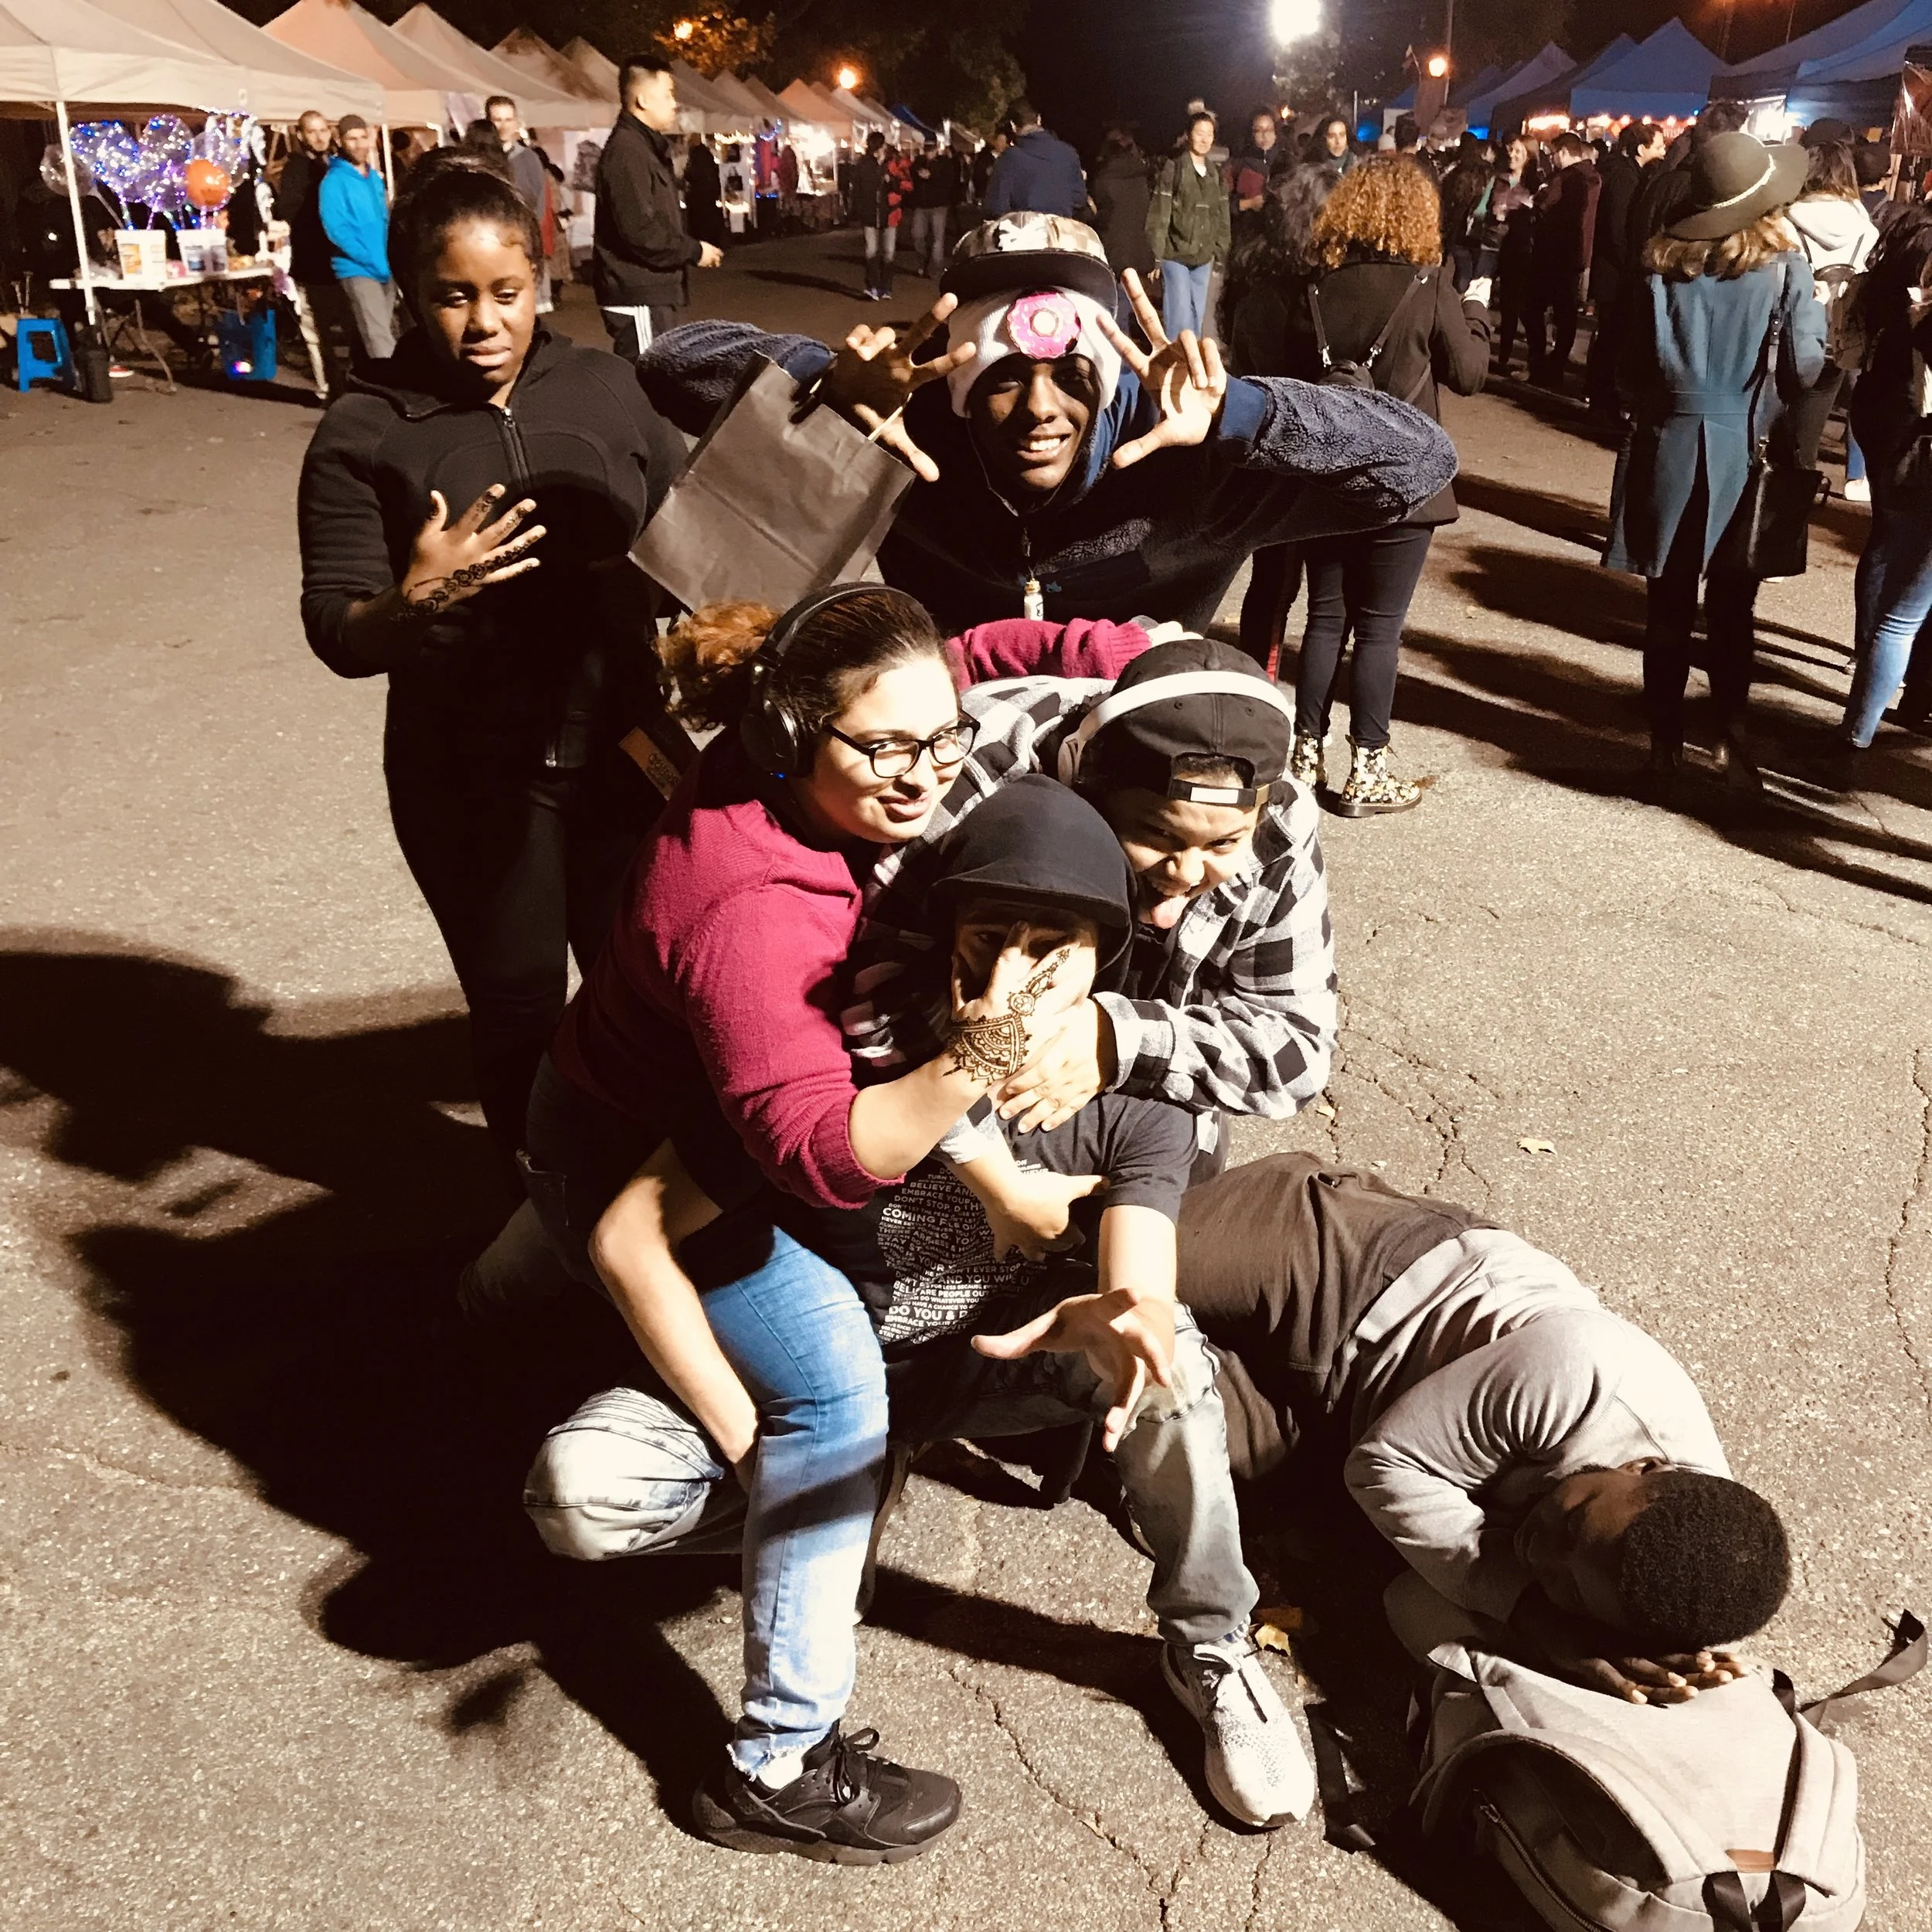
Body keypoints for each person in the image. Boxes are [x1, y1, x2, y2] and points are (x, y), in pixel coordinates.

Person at [525, 778, 1318, 1852]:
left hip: (989, 1365)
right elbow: (638, 1226)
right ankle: (831, 1506)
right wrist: (764, 1457)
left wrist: (1119, 1313)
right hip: (809, 1382)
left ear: (1105, 961)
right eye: (988, 940)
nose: (1011, 984)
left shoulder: (1135, 1104)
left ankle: (1213, 1643)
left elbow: (1144, 1277)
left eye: (1053, 951)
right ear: (942, 939)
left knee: (1168, 1364)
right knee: (579, 1497)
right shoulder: (848, 1058)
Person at [295, 154, 687, 1185]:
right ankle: (539, 1204)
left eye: (504, 293)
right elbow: (337, 627)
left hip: (621, 754)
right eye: (452, 297)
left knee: (635, 988)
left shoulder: (605, 386)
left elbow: (695, 530)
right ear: (411, 296)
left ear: (540, 281)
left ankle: (648, 1199)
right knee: (517, 1003)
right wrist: (413, 599)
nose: (483, 323)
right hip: (468, 776)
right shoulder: (365, 429)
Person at [638, 213, 1459, 633]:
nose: (1040, 410)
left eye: (1071, 377)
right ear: (957, 382)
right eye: (1001, 378)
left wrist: (1241, 412)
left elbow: (1418, 462)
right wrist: (827, 384)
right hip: (954, 785)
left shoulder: (1191, 459)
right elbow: (671, 363)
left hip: (1134, 795)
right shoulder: (914, 428)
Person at [1176, 1155, 1791, 1699]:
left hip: (1335, 1420)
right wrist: (1531, 1610)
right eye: (1572, 1523)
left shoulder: (1664, 1569)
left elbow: (1411, 1594)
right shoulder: (1586, 1371)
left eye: (1568, 1588)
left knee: (1126, 1385)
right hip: (1358, 1267)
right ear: (1645, 1467)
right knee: (1112, 1258)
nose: (1536, 1551)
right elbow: (1383, 1466)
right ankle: (1181, 1147)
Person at [845, 631, 1335, 1195]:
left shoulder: (1281, 819)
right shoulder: (969, 785)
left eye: (1222, 846)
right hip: (953, 1073)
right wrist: (988, 1144)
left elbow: (1297, 1048)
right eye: (1158, 835)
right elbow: (872, 1005)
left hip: (1136, 1077)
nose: (1183, 873)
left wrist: (1115, 1039)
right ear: (1082, 778)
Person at [1604, 132, 1824, 803]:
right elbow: (1805, 368)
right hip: (1743, 452)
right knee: (1732, 610)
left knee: (1667, 608)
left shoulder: (1658, 266)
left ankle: (1664, 747)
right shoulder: (1786, 269)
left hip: (1669, 444)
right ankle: (1731, 741)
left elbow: (1626, 367)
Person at [1275, 156, 1491, 814]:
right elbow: (1470, 374)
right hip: (1407, 477)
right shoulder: (1430, 285)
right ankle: (1367, 771)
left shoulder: (1316, 288)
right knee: (1379, 629)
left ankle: (1303, 756)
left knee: (1324, 617)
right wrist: (1476, 309)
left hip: (1332, 476)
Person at [1219, 164, 1339, 666]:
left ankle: (1261, 675)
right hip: (1288, 439)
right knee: (1287, 582)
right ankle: (1260, 681)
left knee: (1278, 579)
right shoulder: (1291, 287)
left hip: (1265, 431)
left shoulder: (1260, 269)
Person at [1832, 205, 1932, 767]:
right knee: (1906, 605)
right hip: (1910, 434)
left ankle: (1857, 730)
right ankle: (1879, 714)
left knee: (1897, 593)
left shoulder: (1903, 244)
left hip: (1898, 429)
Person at [593, 52, 723, 361]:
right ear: (643, 100)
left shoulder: (643, 148)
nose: (674, 103)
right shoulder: (627, 152)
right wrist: (693, 250)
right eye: (668, 95)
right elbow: (641, 231)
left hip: (651, 292)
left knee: (660, 383)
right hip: (639, 292)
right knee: (650, 383)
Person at [1784, 140, 1878, 481]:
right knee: (1805, 441)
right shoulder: (1867, 229)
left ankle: (1751, 523)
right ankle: (1790, 525)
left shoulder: (1784, 221)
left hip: (1785, 336)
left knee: (1766, 435)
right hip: (1834, 343)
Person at [1587, 119, 1667, 420]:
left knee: (1611, 336)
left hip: (1616, 271)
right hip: (1615, 274)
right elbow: (1617, 228)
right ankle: (1601, 399)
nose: (1662, 151)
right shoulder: (1624, 178)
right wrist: (1630, 262)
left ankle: (1601, 395)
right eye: (1658, 146)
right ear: (1641, 148)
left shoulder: (1630, 174)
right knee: (1611, 337)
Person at [274, 110, 351, 397]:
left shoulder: (337, 163)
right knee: (318, 330)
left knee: (346, 324)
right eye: (313, 131)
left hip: (340, 260)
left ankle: (346, 382)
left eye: (323, 130)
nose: (320, 137)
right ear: (301, 135)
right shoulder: (296, 168)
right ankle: (327, 386)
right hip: (312, 261)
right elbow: (288, 210)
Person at [316, 114, 396, 365]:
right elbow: (337, 230)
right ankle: (394, 389)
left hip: (385, 265)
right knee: (378, 336)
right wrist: (368, 259)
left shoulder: (372, 177)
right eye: (352, 138)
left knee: (381, 331)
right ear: (340, 141)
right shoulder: (333, 182)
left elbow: (384, 220)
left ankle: (365, 388)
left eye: (363, 137)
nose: (359, 144)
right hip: (357, 267)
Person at [1147, 110, 1231, 342]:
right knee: (1179, 316)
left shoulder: (1216, 175)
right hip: (1175, 254)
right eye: (1199, 133)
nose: (1204, 139)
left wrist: (1220, 252)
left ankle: (1192, 368)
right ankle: (1177, 365)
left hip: (1203, 257)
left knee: (1197, 317)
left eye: (1209, 134)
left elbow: (1222, 217)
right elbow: (1161, 212)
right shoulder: (1174, 169)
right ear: (1188, 136)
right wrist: (1156, 255)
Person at [1526, 131, 1600, 391]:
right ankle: (1556, 366)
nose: (1553, 159)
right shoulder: (1595, 179)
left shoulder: (1564, 178)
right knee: (1566, 315)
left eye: (1555, 154)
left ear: (1564, 153)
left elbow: (1541, 205)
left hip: (1551, 254)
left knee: (1534, 308)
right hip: (1578, 255)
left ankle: (1538, 363)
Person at [1487, 135, 1539, 372]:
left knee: (1519, 305)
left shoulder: (1535, 183)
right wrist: (1493, 213)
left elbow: (1539, 216)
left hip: (1520, 249)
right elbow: (1486, 209)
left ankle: (1533, 356)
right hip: (1494, 245)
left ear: (1528, 155)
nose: (1513, 155)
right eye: (1511, 150)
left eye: (1518, 151)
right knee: (1504, 304)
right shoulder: (1499, 180)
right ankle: (1503, 356)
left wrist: (1523, 213)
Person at [984, 100, 1087, 219]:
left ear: (1013, 126)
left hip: (1025, 231)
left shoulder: (1009, 158)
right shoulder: (1069, 152)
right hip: (1061, 229)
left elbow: (996, 206)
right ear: (1039, 119)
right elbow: (1079, 198)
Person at [1089, 125, 1154, 278]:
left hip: (1114, 252)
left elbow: (1100, 215)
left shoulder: (1103, 179)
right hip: (1141, 251)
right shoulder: (1142, 175)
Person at [848, 131, 899, 301]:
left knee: (889, 252)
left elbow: (900, 186)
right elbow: (857, 189)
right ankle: (873, 286)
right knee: (871, 251)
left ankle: (887, 288)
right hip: (870, 213)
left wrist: (890, 180)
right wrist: (858, 210)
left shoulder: (891, 163)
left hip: (889, 213)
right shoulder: (864, 164)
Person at [1227, 107, 1283, 243]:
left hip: (1277, 239)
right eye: (1258, 130)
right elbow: (1220, 204)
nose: (1265, 135)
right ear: (1251, 134)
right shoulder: (1237, 165)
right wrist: (1247, 204)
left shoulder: (1286, 162)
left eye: (1269, 130)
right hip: (1245, 237)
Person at [908, 136, 956, 277]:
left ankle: (936, 269)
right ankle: (923, 262)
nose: (929, 153)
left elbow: (949, 181)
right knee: (917, 236)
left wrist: (932, 176)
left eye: (931, 150)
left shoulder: (945, 163)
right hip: (921, 205)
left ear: (936, 149)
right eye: (927, 150)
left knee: (938, 239)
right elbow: (913, 177)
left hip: (938, 205)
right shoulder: (918, 162)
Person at [1310, 114, 1358, 178]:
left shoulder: (1361, 169)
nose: (1338, 141)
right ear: (1323, 139)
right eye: (1332, 136)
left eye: (1342, 135)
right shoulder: (1311, 173)